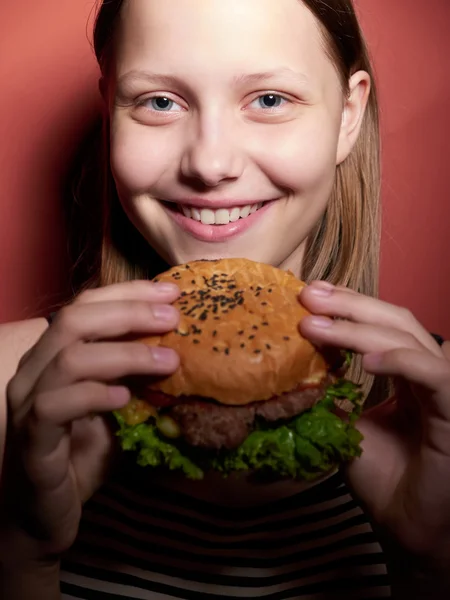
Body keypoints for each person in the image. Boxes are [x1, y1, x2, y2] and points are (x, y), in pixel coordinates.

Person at [0, 0, 449, 598]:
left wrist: (430, 568)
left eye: (269, 99)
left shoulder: (438, 412)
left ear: (347, 115)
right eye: (159, 101)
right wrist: (23, 556)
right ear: (112, 111)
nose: (210, 165)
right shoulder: (10, 388)